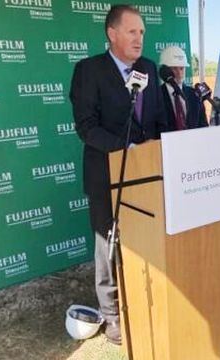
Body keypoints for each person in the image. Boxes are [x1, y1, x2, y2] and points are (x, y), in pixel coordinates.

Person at [69, 4, 167, 345]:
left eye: (142, 32)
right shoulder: (89, 70)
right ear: (112, 34)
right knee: (107, 245)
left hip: (148, 175)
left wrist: (159, 151)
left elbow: (160, 120)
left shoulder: (150, 69)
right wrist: (125, 150)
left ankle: (146, 297)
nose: (139, 38)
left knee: (148, 240)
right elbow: (86, 127)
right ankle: (111, 315)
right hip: (105, 174)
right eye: (132, 32)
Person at [159, 46, 209, 130]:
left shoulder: (195, 95)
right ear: (164, 71)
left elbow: (203, 126)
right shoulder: (156, 96)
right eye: (174, 69)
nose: (179, 73)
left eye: (182, 68)